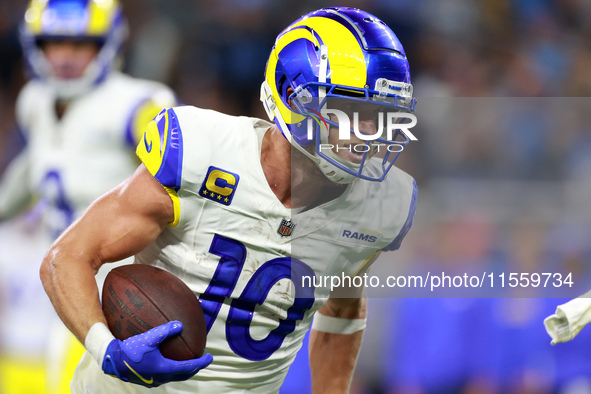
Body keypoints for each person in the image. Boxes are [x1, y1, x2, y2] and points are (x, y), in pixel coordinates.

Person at [40, 7, 418, 393]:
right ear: (293, 96)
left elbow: (343, 307)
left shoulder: (381, 206)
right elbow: (66, 257)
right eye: (353, 111)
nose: (370, 135)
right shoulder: (201, 152)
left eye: (383, 116)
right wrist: (109, 352)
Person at [0, 0, 176, 393]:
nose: (65, 57)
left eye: (80, 44)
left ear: (108, 44)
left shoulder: (137, 104)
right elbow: (35, 170)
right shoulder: (36, 101)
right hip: (65, 279)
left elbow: (179, 173)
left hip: (120, 284)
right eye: (55, 43)